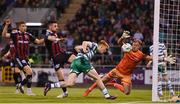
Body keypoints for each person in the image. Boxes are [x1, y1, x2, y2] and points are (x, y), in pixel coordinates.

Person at [83, 31, 176, 97]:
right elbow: (119, 43)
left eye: (136, 45)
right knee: (101, 81)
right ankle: (89, 90)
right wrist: (122, 37)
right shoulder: (128, 48)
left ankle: (114, 84)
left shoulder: (140, 55)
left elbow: (152, 58)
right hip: (117, 70)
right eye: (134, 44)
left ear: (139, 46)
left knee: (127, 92)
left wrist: (164, 58)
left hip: (126, 75)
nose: (134, 46)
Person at [44, 40, 117, 99]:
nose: (105, 51)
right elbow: (85, 42)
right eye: (105, 49)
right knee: (97, 78)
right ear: (101, 45)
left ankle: (50, 85)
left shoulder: (93, 50)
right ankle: (107, 95)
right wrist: (84, 49)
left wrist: (82, 50)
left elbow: (77, 48)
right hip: (83, 62)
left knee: (70, 83)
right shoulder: (94, 45)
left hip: (75, 63)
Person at [2, 19, 44, 95]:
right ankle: (24, 88)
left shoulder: (28, 35)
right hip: (18, 57)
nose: (25, 27)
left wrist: (47, 38)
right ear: (19, 27)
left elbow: (38, 42)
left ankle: (23, 87)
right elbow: (4, 35)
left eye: (25, 26)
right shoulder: (15, 35)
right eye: (23, 26)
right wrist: (6, 25)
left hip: (26, 58)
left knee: (30, 74)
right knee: (27, 72)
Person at [43, 20, 76, 98]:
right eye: (55, 26)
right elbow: (48, 38)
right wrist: (56, 39)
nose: (57, 27)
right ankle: (65, 93)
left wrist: (59, 39)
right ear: (50, 26)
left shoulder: (54, 33)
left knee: (77, 59)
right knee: (61, 77)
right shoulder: (46, 33)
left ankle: (92, 74)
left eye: (57, 26)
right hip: (56, 58)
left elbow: (54, 39)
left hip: (62, 54)